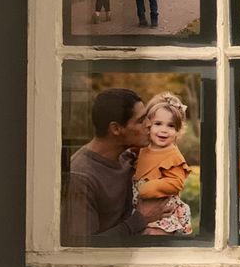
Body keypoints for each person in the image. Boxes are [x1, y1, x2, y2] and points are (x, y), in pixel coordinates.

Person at [61, 88, 171, 245]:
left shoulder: (127, 157)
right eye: (140, 121)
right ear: (116, 129)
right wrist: (140, 220)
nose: (149, 125)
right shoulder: (80, 177)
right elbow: (81, 247)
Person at [133, 92, 193, 236]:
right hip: (140, 206)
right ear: (148, 126)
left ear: (178, 131)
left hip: (162, 208)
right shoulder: (142, 149)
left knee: (154, 234)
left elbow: (176, 182)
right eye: (158, 124)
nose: (164, 130)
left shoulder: (173, 155)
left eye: (171, 126)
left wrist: (149, 188)